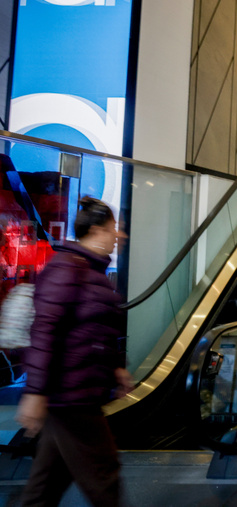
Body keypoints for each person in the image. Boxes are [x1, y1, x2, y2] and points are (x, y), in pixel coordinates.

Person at [16, 197, 131, 507]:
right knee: (104, 477)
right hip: (71, 394)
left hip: (75, 392)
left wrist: (116, 367)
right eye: (113, 229)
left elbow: (97, 332)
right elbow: (45, 330)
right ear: (95, 231)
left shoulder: (92, 272)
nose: (119, 235)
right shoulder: (68, 269)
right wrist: (35, 392)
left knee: (45, 486)